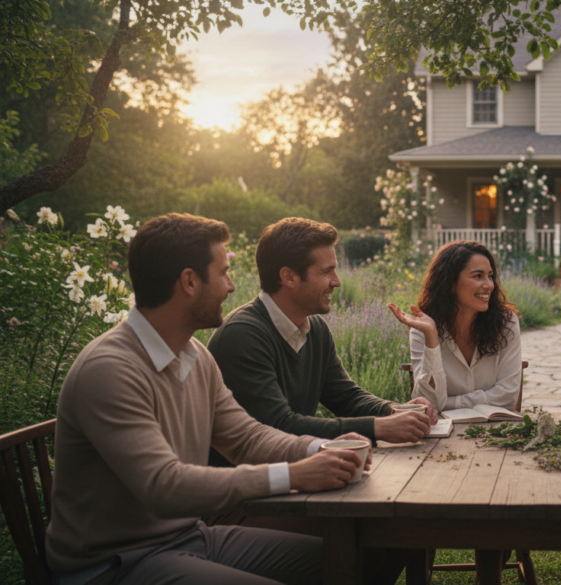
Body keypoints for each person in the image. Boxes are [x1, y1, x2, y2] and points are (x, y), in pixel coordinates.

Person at [45, 213, 368, 585]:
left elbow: (247, 437)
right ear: (189, 281)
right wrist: (293, 474)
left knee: (360, 560)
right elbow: (164, 486)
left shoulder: (195, 355)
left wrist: (320, 450)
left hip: (189, 538)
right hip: (113, 565)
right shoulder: (109, 369)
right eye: (223, 272)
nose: (232, 286)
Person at [207, 217, 435, 461]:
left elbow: (346, 397)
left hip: (297, 474)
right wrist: (379, 427)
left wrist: (394, 410)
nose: (336, 282)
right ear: (289, 277)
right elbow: (277, 425)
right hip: (249, 487)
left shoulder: (315, 328)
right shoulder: (242, 335)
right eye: (326, 272)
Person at [387, 240, 522, 413]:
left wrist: (448, 404)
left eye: (490, 276)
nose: (489, 285)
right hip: (442, 435)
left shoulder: (506, 322)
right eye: (477, 276)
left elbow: (507, 397)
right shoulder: (423, 329)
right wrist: (432, 338)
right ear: (450, 283)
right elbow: (429, 402)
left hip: (496, 431)